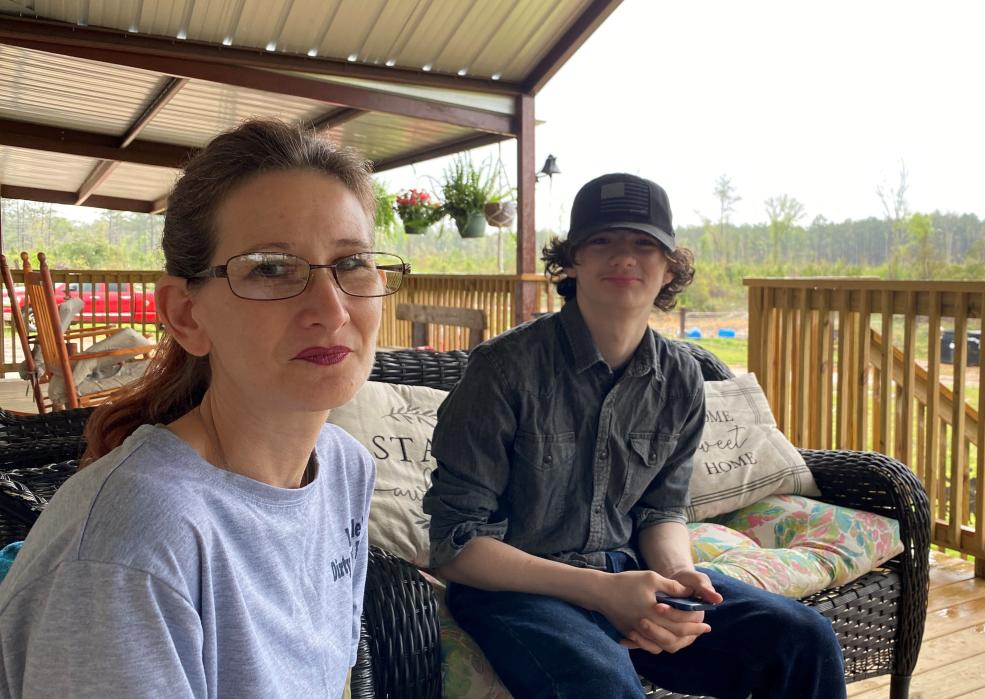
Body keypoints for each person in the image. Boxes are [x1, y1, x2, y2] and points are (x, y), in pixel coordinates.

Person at [0, 119, 406, 697]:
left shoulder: (343, 467)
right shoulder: (132, 549)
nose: (332, 310)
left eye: (352, 263)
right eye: (270, 267)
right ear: (186, 315)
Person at [424, 173, 846, 698]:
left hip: (629, 571)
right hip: (517, 588)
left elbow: (660, 509)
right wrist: (602, 592)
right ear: (572, 261)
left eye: (644, 243)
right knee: (602, 685)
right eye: (602, 241)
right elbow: (455, 545)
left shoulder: (681, 376)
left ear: (669, 266)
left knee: (802, 638)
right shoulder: (504, 370)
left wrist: (679, 579)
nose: (624, 256)